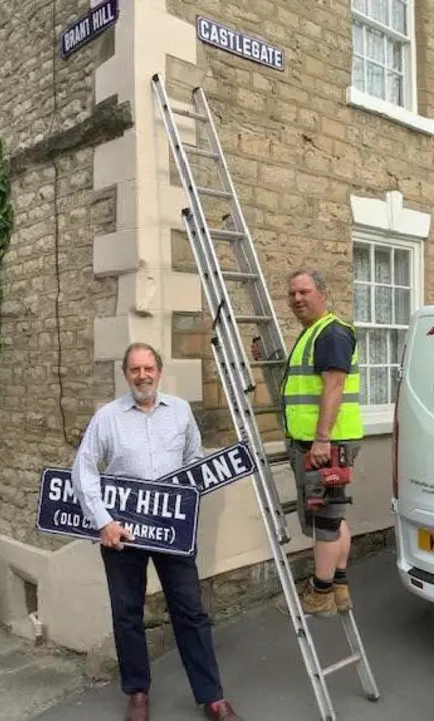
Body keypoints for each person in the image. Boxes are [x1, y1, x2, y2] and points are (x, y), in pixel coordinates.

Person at [72, 342, 240, 721]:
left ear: (159, 372)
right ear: (126, 374)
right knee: (127, 614)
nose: (143, 376)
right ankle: (138, 693)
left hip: (171, 532)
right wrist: (103, 521)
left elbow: (194, 461)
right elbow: (83, 469)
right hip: (123, 532)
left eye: (149, 369)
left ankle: (211, 696)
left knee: (190, 611)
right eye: (135, 370)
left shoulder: (180, 412)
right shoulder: (107, 417)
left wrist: (186, 505)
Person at [254, 269, 363, 619]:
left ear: (323, 292)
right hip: (320, 444)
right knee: (333, 514)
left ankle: (320, 594)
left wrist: (321, 440)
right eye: (292, 294)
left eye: (305, 291)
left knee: (326, 523)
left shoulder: (331, 333)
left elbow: (333, 387)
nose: (297, 299)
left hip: (326, 446)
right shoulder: (312, 334)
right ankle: (339, 587)